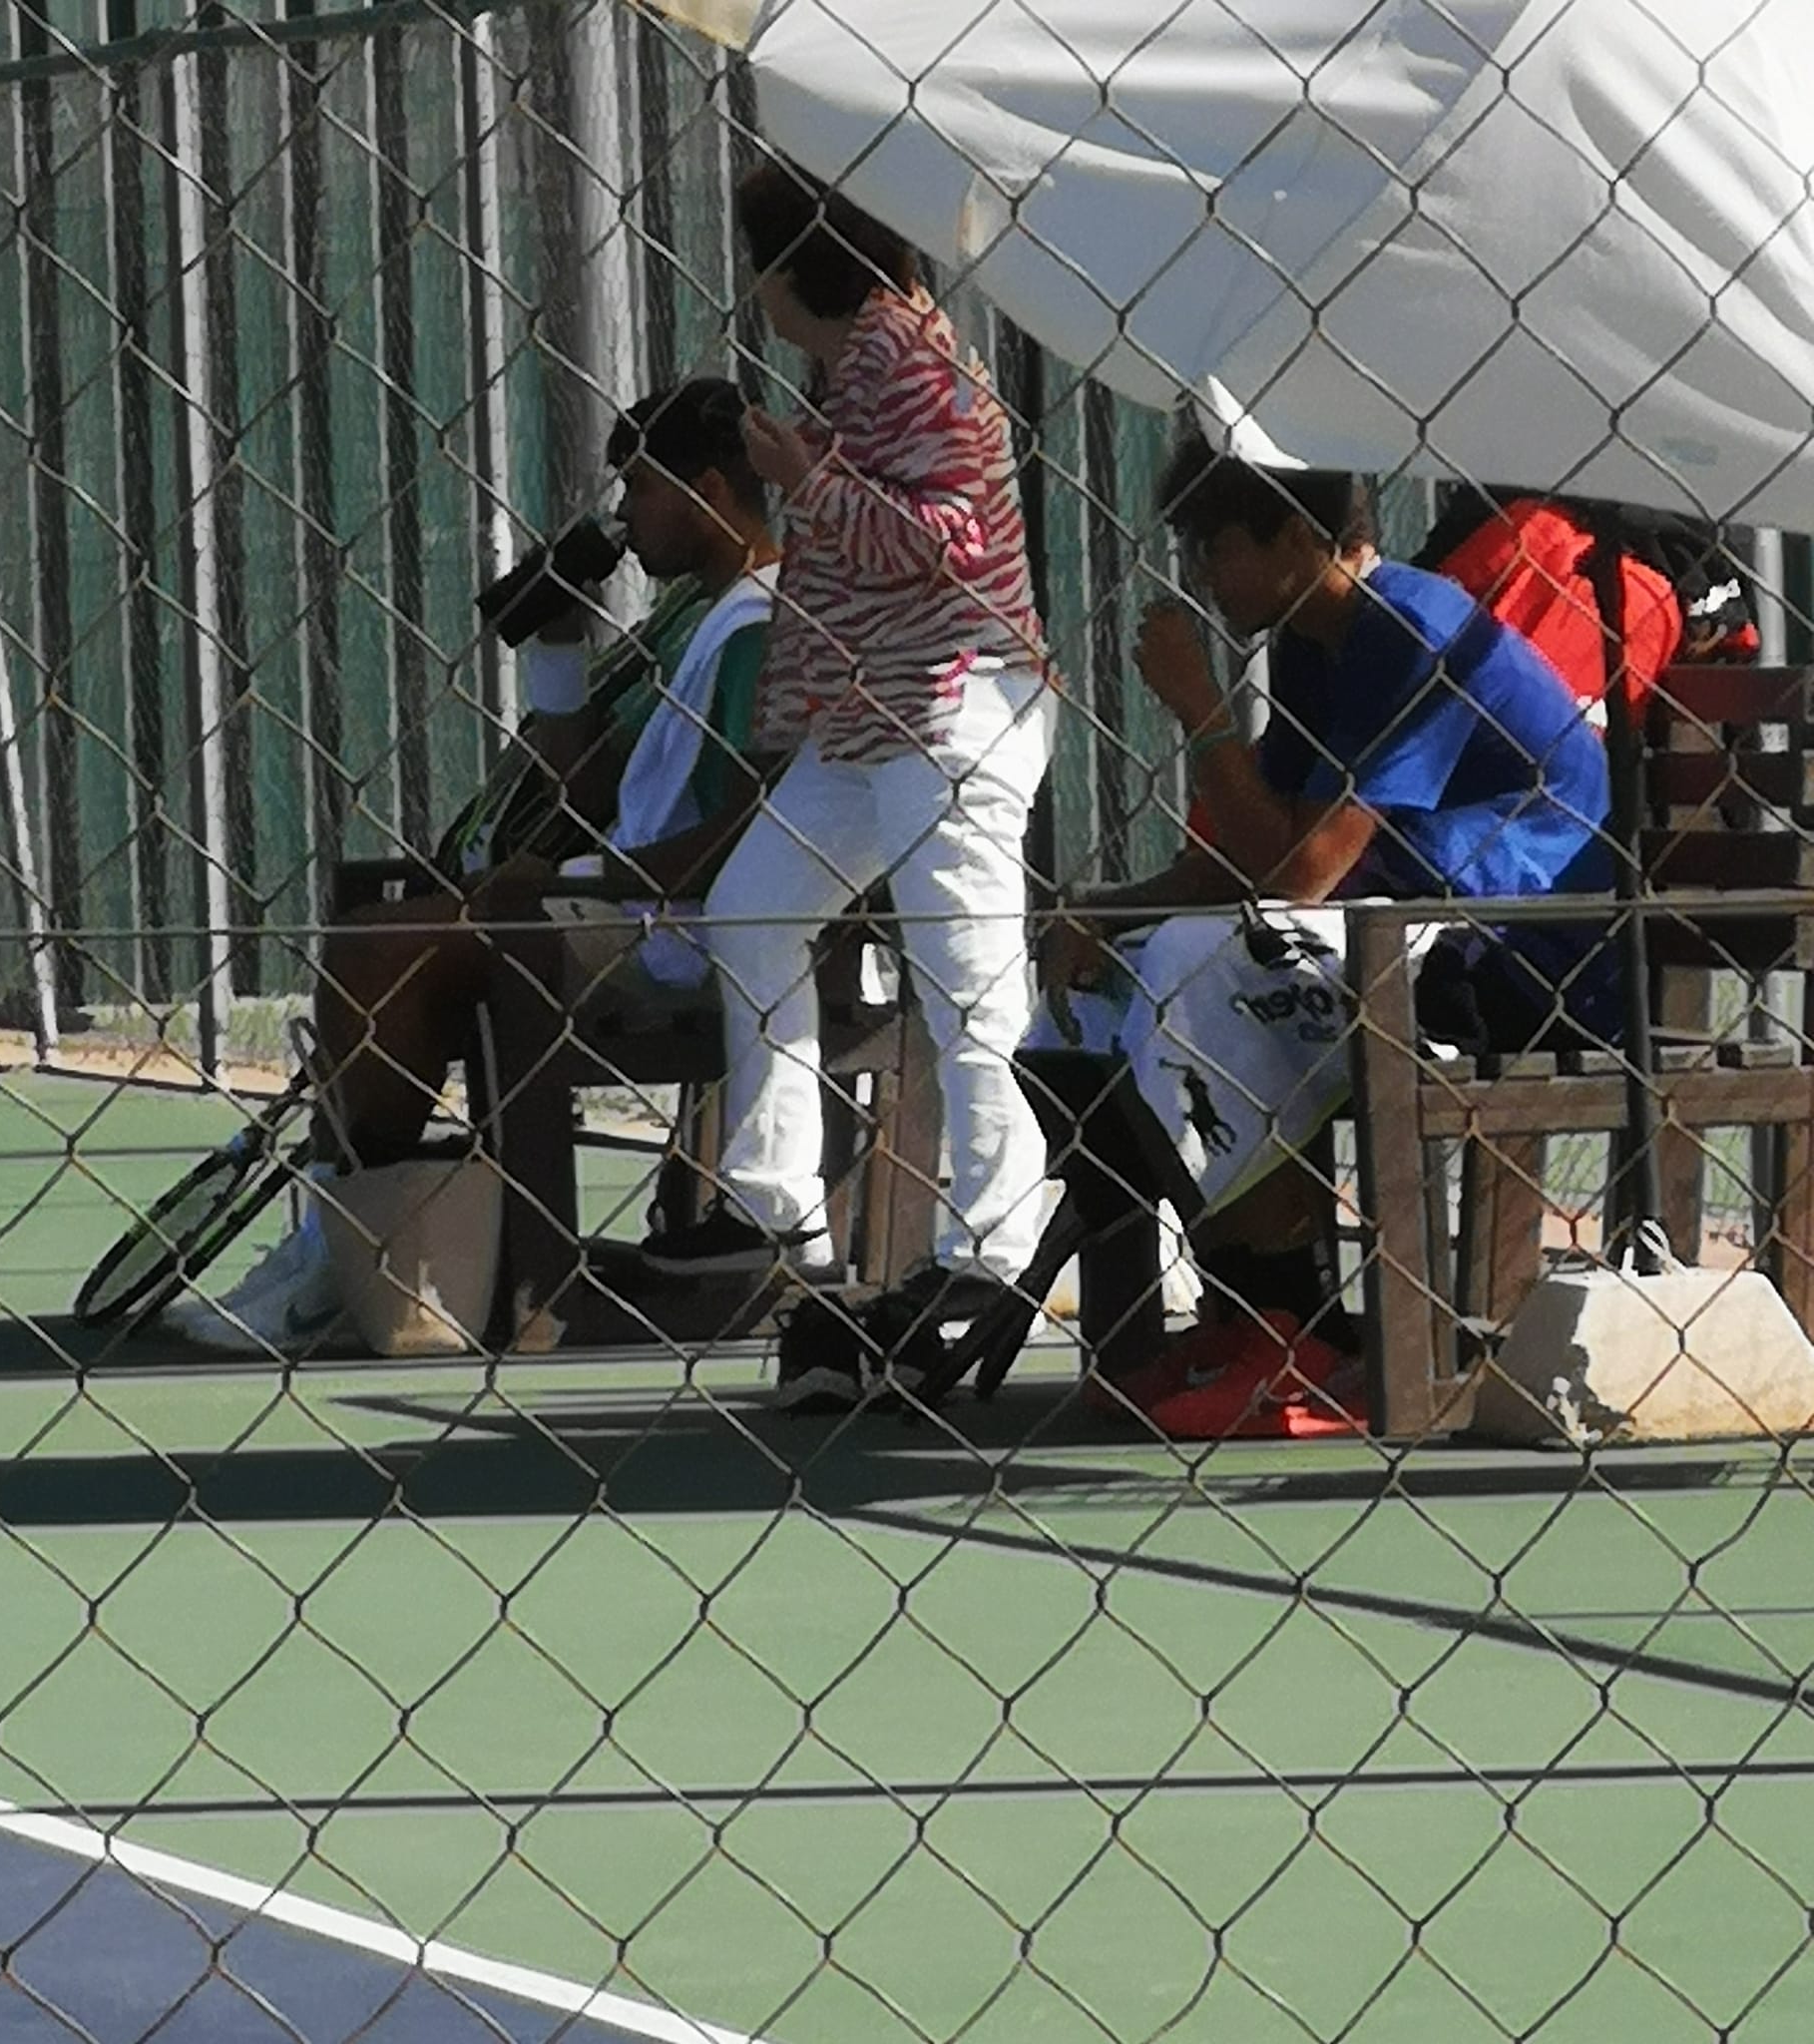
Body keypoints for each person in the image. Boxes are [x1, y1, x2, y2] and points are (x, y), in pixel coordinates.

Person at [165, 377, 782, 1353]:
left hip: (685, 924)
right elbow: (586, 781)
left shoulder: (758, 624)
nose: (622, 515)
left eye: (642, 488)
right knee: (384, 937)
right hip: (621, 901)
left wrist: (581, 882)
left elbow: (755, 828)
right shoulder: (688, 617)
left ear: (708, 488)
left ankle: (354, 1255)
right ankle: (358, 1245)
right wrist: (557, 641)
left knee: (388, 952)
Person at [1034, 436, 1615, 1430]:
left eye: (1216, 548)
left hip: (1519, 957)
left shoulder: (1414, 633)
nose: (1203, 577)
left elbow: (1296, 875)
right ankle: (1255, 1306)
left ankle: (1296, 1335)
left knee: (1196, 964)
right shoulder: (1312, 640)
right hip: (1395, 934)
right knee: (1109, 977)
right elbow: (1269, 854)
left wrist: (1201, 711)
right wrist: (1106, 905)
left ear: (1299, 538)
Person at [636, 161, 1057, 1404]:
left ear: (791, 267)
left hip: (947, 702)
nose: (752, 284)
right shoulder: (861, 361)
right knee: (755, 910)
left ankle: (991, 1245)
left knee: (965, 973)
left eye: (759, 259)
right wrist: (816, 455)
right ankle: (778, 1212)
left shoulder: (905, 358)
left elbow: (946, 538)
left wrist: (808, 475)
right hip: (868, 712)